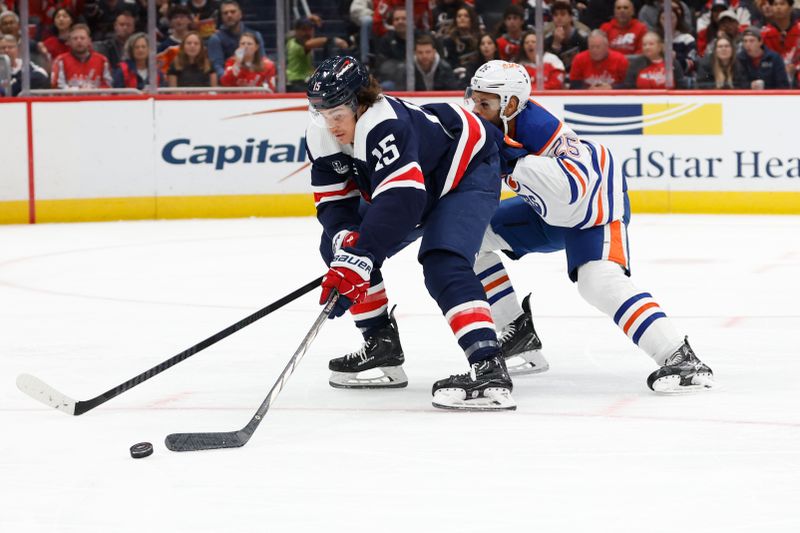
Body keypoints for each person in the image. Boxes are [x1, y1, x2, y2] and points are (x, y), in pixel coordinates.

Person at [466, 60, 716, 392]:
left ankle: (679, 356)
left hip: (594, 208)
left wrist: (519, 163)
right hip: (547, 212)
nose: (476, 110)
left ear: (510, 103)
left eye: (485, 103)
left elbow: (579, 184)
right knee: (470, 239)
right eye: (475, 101)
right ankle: (517, 332)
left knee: (597, 283)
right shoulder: (498, 127)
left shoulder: (542, 129)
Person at [306, 55, 515, 410]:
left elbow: (404, 201)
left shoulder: (384, 124)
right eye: (321, 114)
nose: (330, 125)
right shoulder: (322, 135)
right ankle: (381, 345)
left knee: (442, 259)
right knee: (337, 246)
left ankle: (489, 366)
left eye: (337, 114)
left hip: (467, 168)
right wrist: (347, 244)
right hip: (422, 182)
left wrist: (363, 256)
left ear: (360, 103)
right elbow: (334, 203)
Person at [286, 17, 349, 92]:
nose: (307, 32)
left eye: (310, 29)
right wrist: (334, 40)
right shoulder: (296, 45)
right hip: (297, 84)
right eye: (304, 29)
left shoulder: (291, 41)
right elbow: (309, 44)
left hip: (301, 81)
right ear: (296, 31)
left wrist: (310, 17)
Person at [207, 0, 265, 78]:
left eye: (233, 12)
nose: (229, 15)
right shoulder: (216, 39)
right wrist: (229, 78)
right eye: (225, 13)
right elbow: (217, 67)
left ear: (240, 14)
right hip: (228, 85)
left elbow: (261, 61)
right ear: (221, 17)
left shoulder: (256, 35)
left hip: (253, 81)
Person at [51, 23, 113, 89]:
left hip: (95, 98)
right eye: (75, 38)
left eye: (82, 38)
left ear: (89, 41)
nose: (79, 41)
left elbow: (108, 86)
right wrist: (78, 90)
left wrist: (91, 91)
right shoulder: (60, 61)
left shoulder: (102, 61)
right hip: (70, 99)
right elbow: (57, 87)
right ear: (69, 42)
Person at [545, 1, 589, 75]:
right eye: (555, 15)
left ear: (570, 17)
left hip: (579, 75)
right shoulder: (548, 39)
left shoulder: (582, 37)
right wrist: (556, 44)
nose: (559, 17)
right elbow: (548, 63)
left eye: (563, 14)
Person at [761, 0, 800, 81]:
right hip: (774, 76)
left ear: (790, 8)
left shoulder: (798, 29)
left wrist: (796, 67)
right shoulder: (765, 34)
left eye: (782, 4)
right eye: (775, 4)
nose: (778, 7)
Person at [655, 1, 697, 74]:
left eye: (671, 18)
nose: (668, 22)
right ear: (659, 21)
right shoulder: (655, 40)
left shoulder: (687, 39)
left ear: (677, 19)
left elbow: (692, 64)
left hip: (682, 77)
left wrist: (676, 57)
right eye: (664, 19)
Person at [441, 5, 481, 74]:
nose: (462, 18)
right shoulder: (449, 41)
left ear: (472, 19)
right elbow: (448, 63)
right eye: (459, 16)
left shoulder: (480, 39)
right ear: (456, 20)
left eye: (466, 16)